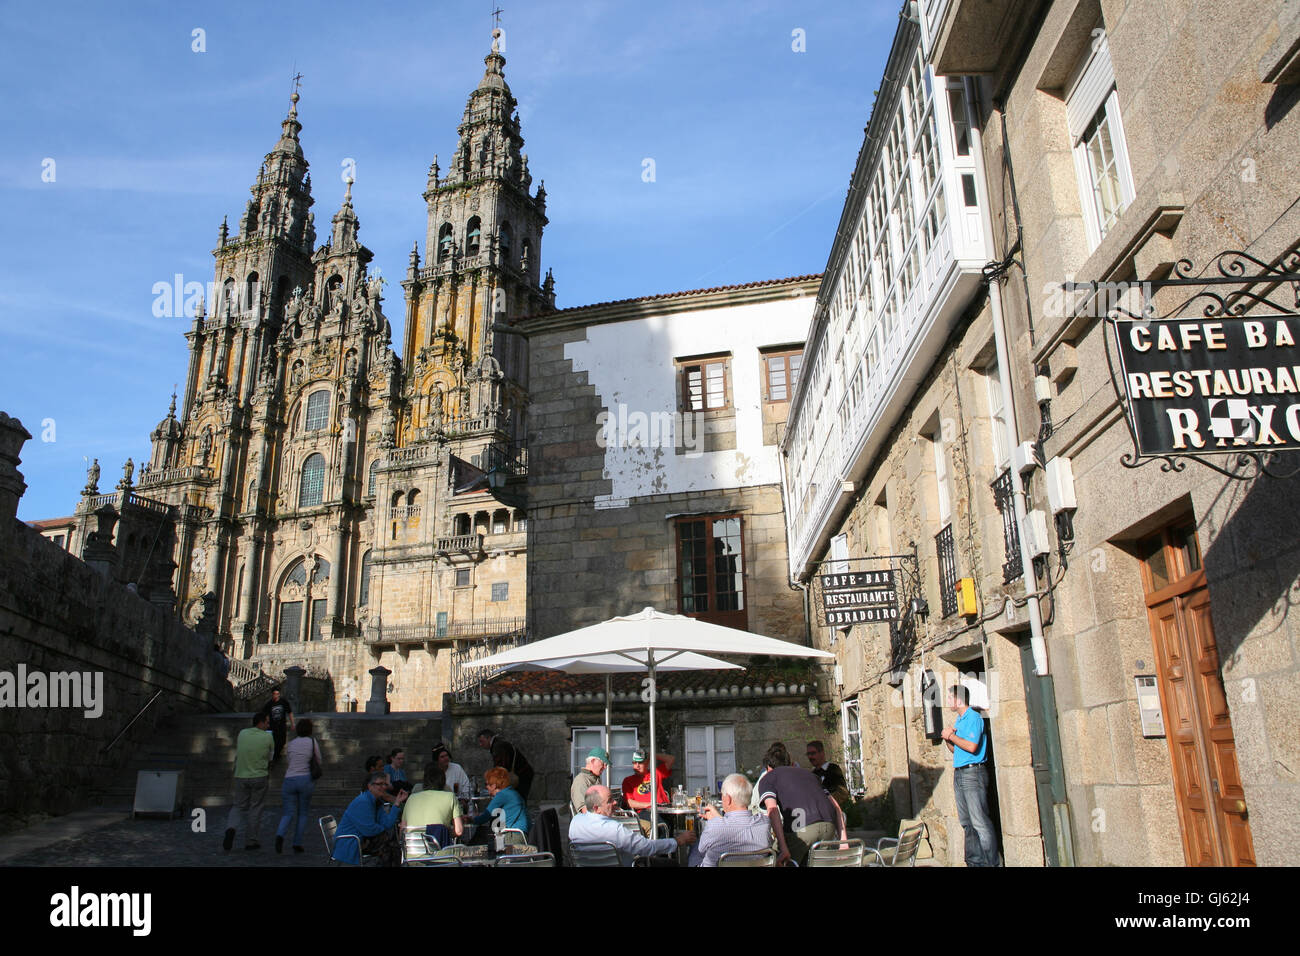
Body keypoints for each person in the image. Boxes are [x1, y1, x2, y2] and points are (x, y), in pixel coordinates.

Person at [756, 742, 846, 866]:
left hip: (802, 826)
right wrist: (843, 840)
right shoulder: (810, 775)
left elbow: (772, 810)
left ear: (768, 767)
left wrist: (783, 848)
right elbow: (836, 806)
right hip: (829, 826)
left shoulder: (769, 777)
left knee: (773, 858)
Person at [942, 684, 1002, 867]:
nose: (947, 702)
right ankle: (975, 862)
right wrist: (948, 739)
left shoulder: (974, 718)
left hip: (973, 772)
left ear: (959, 699)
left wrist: (951, 737)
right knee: (966, 822)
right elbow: (956, 750)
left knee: (980, 821)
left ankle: (992, 863)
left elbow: (971, 747)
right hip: (960, 772)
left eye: (950, 698)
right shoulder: (959, 720)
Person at [568, 785, 695, 866]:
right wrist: (678, 841)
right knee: (671, 865)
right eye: (609, 801)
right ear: (596, 808)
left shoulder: (575, 823)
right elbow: (646, 847)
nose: (615, 802)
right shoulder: (614, 829)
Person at [689, 774, 773, 867]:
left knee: (695, 847)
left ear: (728, 799)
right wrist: (719, 820)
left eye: (722, 795)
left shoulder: (714, 826)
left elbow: (702, 851)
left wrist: (717, 821)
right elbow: (740, 829)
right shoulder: (764, 823)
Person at [223, 711, 274, 852]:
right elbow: (270, 757)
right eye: (267, 722)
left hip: (241, 774)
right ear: (261, 722)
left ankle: (231, 828)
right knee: (255, 808)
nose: (268, 724)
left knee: (238, 806)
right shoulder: (268, 737)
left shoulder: (242, 733)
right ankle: (251, 840)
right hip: (259, 775)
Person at [333, 771, 408, 865]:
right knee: (390, 846)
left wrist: (397, 803)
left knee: (393, 846)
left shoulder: (377, 801)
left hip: (365, 839)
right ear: (370, 786)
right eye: (379, 784)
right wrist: (384, 830)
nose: (383, 787)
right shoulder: (363, 802)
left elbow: (387, 824)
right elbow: (369, 830)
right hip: (351, 843)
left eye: (385, 784)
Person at [276, 718, 320, 854]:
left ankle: (280, 834)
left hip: (289, 778)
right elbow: (318, 759)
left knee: (287, 813)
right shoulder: (312, 742)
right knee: (303, 813)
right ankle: (297, 842)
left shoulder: (292, 743)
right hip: (305, 778)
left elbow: (289, 760)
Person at [403, 766, 463, 845]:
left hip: (413, 853)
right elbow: (459, 831)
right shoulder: (450, 797)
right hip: (440, 855)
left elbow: (403, 830)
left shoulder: (411, 798)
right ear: (443, 781)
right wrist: (444, 833)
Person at [465, 766, 529, 841]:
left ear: (494, 786)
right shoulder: (511, 792)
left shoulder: (502, 795)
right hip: (521, 833)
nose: (486, 787)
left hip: (513, 835)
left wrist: (470, 819)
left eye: (486, 784)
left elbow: (485, 817)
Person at [477, 729, 535, 801]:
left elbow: (502, 766)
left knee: (518, 800)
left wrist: (494, 782)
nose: (481, 744)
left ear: (489, 738)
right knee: (518, 799)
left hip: (520, 775)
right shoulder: (499, 744)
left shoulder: (498, 746)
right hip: (522, 773)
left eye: (482, 741)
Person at [806, 739, 852, 809]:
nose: (810, 757)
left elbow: (842, 792)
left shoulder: (833, 769)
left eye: (813, 753)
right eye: (808, 754)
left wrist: (824, 803)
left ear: (822, 753)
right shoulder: (812, 774)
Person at [570, 747, 609, 815]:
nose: (605, 767)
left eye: (606, 765)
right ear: (593, 761)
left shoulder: (594, 778)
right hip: (588, 823)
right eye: (603, 763)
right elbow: (585, 811)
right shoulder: (581, 781)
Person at [260, 687, 294, 762]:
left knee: (282, 741)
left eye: (277, 694)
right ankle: (274, 757)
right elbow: (264, 714)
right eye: (275, 694)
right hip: (273, 727)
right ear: (272, 695)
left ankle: (277, 755)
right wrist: (266, 724)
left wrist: (292, 724)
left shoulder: (283, 702)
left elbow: (290, 712)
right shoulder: (269, 704)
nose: (276, 696)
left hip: (281, 725)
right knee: (274, 742)